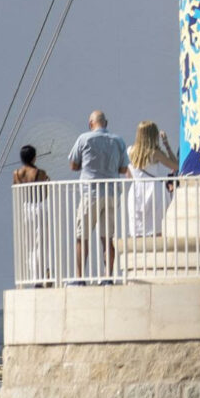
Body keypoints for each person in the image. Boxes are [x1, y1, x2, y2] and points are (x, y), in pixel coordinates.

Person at [68, 110, 129, 280]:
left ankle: (80, 277)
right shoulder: (118, 140)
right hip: (111, 192)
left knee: (82, 236)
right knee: (107, 238)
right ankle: (107, 276)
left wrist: (88, 166)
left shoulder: (84, 139)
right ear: (106, 123)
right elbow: (124, 169)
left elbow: (73, 165)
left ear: (90, 123)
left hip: (90, 193)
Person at [125, 120, 178, 237]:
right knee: (157, 229)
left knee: (137, 229)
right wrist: (167, 145)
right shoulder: (155, 153)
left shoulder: (130, 151)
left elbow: (128, 175)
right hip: (154, 191)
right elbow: (175, 166)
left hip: (136, 191)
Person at [14, 144, 53, 283]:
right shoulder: (40, 173)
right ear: (34, 157)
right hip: (39, 207)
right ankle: (40, 276)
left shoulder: (17, 173)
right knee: (40, 243)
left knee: (28, 244)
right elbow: (45, 193)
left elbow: (18, 190)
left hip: (25, 209)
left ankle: (33, 275)